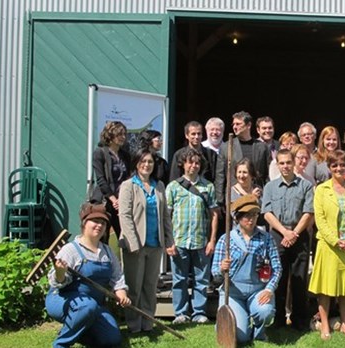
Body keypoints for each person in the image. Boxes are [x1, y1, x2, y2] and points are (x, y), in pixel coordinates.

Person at [45, 203, 131, 348]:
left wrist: (121, 293)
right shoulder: (71, 250)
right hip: (63, 299)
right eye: (95, 221)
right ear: (84, 224)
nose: (99, 225)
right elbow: (56, 281)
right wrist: (60, 273)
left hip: (94, 305)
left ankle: (78, 328)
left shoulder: (108, 252)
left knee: (111, 339)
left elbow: (117, 277)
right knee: (87, 307)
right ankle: (61, 344)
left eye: (103, 222)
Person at [308, 150, 345, 340]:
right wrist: (334, 240)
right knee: (326, 288)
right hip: (328, 246)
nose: (339, 168)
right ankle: (324, 324)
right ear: (329, 167)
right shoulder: (321, 190)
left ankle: (344, 323)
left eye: (342, 165)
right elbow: (320, 219)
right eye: (335, 165)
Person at [118, 148, 176, 333]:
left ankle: (148, 322)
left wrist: (169, 240)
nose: (147, 165)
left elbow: (165, 216)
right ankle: (134, 324)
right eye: (143, 161)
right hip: (134, 245)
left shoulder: (158, 186)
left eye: (150, 162)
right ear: (136, 164)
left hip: (155, 244)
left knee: (150, 287)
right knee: (134, 286)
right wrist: (133, 243)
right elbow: (124, 216)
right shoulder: (128, 186)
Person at [212, 194, 282, 343]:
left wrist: (269, 289)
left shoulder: (266, 238)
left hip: (258, 290)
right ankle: (234, 326)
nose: (251, 219)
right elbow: (215, 274)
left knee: (266, 312)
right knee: (240, 338)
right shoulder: (226, 240)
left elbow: (277, 268)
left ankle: (259, 333)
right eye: (246, 215)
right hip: (232, 293)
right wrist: (222, 268)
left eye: (254, 215)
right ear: (237, 217)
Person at [262, 149, 314, 330]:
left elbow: (308, 212)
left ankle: (300, 320)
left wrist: (294, 234)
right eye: (281, 163)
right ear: (277, 165)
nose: (285, 166)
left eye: (288, 163)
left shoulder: (306, 186)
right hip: (278, 235)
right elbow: (267, 213)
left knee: (300, 279)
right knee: (279, 277)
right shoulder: (270, 187)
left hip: (299, 236)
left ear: (294, 163)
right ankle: (278, 319)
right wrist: (284, 232)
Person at [166, 148, 219, 324]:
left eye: (197, 163)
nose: (193, 166)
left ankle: (199, 312)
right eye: (190, 162)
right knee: (179, 279)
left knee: (201, 279)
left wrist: (212, 240)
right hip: (179, 240)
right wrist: (169, 241)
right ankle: (180, 313)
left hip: (201, 240)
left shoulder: (208, 186)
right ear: (183, 164)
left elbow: (214, 215)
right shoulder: (173, 187)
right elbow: (167, 216)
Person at [215, 111, 271, 205]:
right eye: (233, 124)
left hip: (258, 197)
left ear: (248, 125)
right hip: (234, 197)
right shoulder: (227, 147)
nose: (234, 127)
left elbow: (267, 174)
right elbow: (220, 176)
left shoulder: (262, 147)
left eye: (238, 124)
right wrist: (220, 201)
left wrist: (267, 196)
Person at [92, 121, 131, 239]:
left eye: (124, 134)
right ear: (110, 135)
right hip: (105, 201)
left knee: (125, 236)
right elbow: (101, 179)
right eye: (119, 134)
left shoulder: (125, 155)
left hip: (121, 201)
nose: (123, 137)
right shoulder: (100, 153)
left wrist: (123, 199)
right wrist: (113, 199)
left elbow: (128, 177)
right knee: (103, 237)